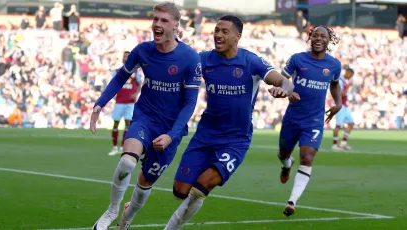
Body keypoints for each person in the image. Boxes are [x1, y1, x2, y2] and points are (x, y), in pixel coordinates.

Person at [162, 15, 295, 230]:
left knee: (201, 187)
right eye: (216, 30)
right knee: (180, 190)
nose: (218, 35)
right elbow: (177, 69)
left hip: (235, 140)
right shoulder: (203, 60)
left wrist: (284, 90)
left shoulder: (250, 61)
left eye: (224, 31)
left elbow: (284, 81)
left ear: (237, 36)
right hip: (205, 135)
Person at [89, 2, 201, 230]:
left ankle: (126, 219)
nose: (157, 24)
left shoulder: (190, 58)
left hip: (170, 129)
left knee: (144, 182)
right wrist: (100, 103)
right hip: (145, 118)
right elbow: (121, 77)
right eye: (155, 19)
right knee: (127, 162)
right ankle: (112, 210)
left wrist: (171, 135)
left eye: (164, 20)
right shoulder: (142, 50)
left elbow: (190, 103)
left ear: (176, 26)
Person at [277, 25, 342, 217]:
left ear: (329, 40)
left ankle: (292, 201)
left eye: (323, 36)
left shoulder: (334, 65)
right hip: (292, 117)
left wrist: (338, 103)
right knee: (282, 154)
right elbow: (283, 79)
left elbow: (335, 84)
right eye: (315, 35)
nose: (319, 38)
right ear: (310, 38)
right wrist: (288, 91)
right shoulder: (297, 59)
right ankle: (286, 165)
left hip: (314, 120)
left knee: (307, 157)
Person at [108, 51, 142, 156]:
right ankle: (114, 147)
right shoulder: (117, 71)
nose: (126, 58)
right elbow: (113, 83)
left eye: (128, 57)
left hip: (130, 103)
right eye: (125, 57)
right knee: (116, 123)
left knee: (128, 124)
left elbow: (140, 83)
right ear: (122, 58)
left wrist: (136, 93)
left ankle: (123, 147)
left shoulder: (136, 72)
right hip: (119, 101)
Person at [332, 67, 354, 151]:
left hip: (345, 106)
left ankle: (343, 143)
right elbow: (341, 94)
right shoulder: (340, 80)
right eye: (350, 75)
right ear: (348, 73)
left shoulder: (345, 81)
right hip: (339, 105)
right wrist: (348, 87)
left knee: (351, 124)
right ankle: (334, 145)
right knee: (338, 126)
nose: (350, 77)